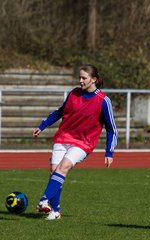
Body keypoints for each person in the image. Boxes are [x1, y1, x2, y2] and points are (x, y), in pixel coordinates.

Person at [32, 64, 118, 220]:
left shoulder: (104, 101)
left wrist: (109, 152)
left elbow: (112, 129)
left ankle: (44, 199)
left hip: (83, 143)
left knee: (63, 167)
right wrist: (43, 125)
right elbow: (60, 112)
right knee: (54, 172)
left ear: (94, 80)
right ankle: (55, 211)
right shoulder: (74, 93)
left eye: (84, 78)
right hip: (63, 137)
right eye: (80, 77)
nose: (80, 81)